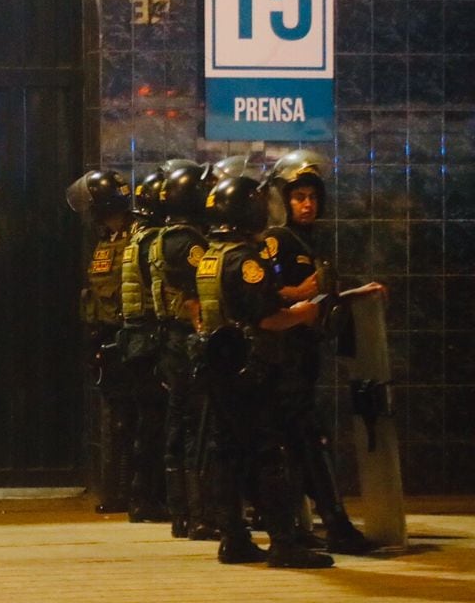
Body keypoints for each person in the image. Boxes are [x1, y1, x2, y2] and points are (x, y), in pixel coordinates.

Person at [195, 174, 333, 569]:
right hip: (251, 368)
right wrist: (306, 314)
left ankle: (233, 538)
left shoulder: (210, 256)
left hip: (218, 367)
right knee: (268, 451)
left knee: (227, 452)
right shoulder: (246, 260)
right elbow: (267, 318)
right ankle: (284, 543)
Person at [260, 150, 375, 555]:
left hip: (305, 355)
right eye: (298, 197)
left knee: (302, 441)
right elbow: (263, 298)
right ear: (283, 200)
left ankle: (304, 526)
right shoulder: (275, 241)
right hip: (282, 357)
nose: (307, 204)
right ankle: (335, 524)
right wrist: (303, 293)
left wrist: (353, 294)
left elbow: (321, 295)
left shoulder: (309, 240)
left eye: (312, 196)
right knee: (310, 439)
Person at [150, 162, 212, 539]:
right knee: (195, 428)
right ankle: (200, 515)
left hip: (169, 341)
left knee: (177, 424)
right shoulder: (189, 242)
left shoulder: (160, 237)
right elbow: (196, 297)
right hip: (187, 341)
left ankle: (182, 515)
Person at [65, 170, 132, 513]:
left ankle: (126, 491)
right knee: (114, 420)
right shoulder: (107, 239)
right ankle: (116, 491)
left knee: (126, 421)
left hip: (130, 341)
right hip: (107, 338)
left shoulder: (134, 238)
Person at [115, 169, 169, 521]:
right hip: (150, 337)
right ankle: (147, 497)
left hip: (135, 338)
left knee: (144, 420)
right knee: (154, 421)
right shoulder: (155, 241)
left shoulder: (137, 236)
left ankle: (140, 496)